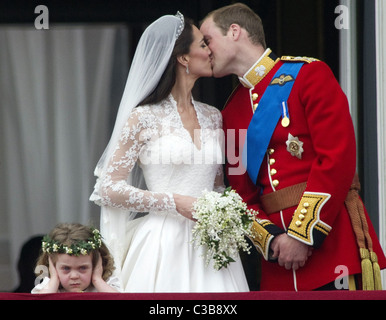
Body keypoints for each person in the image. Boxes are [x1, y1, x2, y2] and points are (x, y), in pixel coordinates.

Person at [200, 3, 386, 291]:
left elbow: (337, 159)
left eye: (207, 39)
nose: (204, 49)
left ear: (234, 32)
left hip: (331, 249)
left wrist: (301, 235)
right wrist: (274, 240)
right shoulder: (231, 111)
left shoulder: (309, 75)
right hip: (279, 264)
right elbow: (239, 194)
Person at [89, 12, 249, 292]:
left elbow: (218, 185)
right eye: (202, 45)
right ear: (183, 58)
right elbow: (107, 188)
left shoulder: (213, 116)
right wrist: (173, 202)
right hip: (162, 244)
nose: (210, 51)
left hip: (212, 245)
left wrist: (227, 212)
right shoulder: (143, 118)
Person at [32, 223, 120, 293]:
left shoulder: (105, 286)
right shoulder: (49, 287)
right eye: (66, 268)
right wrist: (54, 279)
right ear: (53, 267)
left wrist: (97, 280)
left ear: (96, 265)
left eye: (83, 268)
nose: (74, 276)